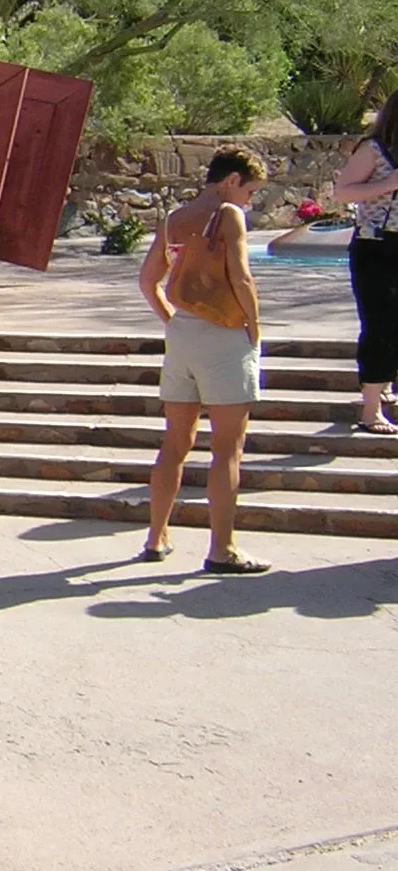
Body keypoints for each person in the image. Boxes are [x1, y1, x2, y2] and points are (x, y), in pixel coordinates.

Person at [137, 146, 271, 574]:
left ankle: (156, 536)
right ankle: (221, 549)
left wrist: (172, 319)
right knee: (228, 448)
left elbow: (147, 279)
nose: (249, 201)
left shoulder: (173, 219)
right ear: (232, 180)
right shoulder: (228, 215)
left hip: (183, 334)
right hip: (223, 335)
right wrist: (254, 325)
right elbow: (241, 276)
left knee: (174, 443)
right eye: (249, 190)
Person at [331, 91, 398, 435]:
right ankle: (370, 410)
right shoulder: (374, 150)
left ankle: (388, 388)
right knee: (381, 323)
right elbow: (342, 192)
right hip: (376, 247)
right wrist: (387, 184)